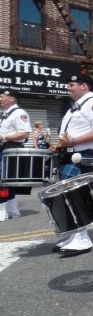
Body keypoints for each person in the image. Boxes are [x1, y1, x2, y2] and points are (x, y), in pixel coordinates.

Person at [53, 72, 93, 255]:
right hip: (72, 154)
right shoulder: (74, 108)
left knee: (77, 196)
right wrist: (61, 145)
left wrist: (73, 141)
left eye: (71, 84)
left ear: (84, 86)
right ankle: (75, 234)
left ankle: (82, 239)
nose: (68, 87)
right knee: (68, 196)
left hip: (84, 156)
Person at [0, 89, 31, 219]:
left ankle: (2, 210)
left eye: (2, 96)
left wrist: (4, 138)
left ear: (12, 99)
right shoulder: (5, 113)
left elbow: (24, 133)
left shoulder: (19, 113)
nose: (0, 99)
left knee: (3, 180)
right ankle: (12, 209)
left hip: (11, 148)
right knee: (7, 180)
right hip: (5, 148)